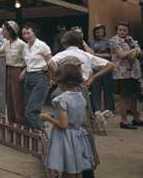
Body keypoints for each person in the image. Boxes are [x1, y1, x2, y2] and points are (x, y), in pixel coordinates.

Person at [48, 30, 115, 177]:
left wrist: (59, 78)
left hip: (64, 89)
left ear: (64, 43)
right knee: (84, 129)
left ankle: (67, 166)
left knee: (64, 129)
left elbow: (50, 63)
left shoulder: (61, 55)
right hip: (82, 90)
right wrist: (92, 79)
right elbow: (110, 65)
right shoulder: (86, 55)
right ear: (79, 43)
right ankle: (87, 168)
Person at [41, 56, 95, 177]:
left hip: (66, 137)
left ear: (62, 81)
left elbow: (63, 125)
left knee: (67, 169)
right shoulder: (81, 96)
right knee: (77, 167)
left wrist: (47, 118)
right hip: (78, 134)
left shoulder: (61, 99)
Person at [0, 20, 26, 125]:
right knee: (9, 99)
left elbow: (28, 60)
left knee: (17, 99)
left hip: (18, 71)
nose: (2, 32)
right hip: (8, 70)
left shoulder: (21, 44)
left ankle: (20, 124)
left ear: (11, 31)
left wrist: (24, 72)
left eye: (4, 30)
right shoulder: (6, 43)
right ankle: (12, 123)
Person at [109, 22, 142, 129]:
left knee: (134, 96)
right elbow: (121, 55)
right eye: (120, 30)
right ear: (117, 30)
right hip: (122, 74)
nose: (122, 32)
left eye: (124, 30)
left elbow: (139, 54)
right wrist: (134, 50)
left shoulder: (131, 39)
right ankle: (124, 121)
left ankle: (137, 119)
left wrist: (132, 52)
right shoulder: (114, 40)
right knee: (123, 97)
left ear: (128, 31)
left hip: (135, 73)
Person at [20, 23, 52, 131]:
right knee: (27, 107)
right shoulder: (25, 47)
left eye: (28, 33)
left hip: (40, 77)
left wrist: (51, 78)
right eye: (24, 33)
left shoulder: (42, 45)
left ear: (35, 32)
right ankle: (33, 136)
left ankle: (41, 134)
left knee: (31, 109)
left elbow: (50, 63)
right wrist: (24, 71)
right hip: (28, 77)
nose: (26, 35)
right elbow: (28, 63)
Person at [89, 24, 115, 112]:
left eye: (101, 32)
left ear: (104, 32)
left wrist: (96, 54)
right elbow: (90, 54)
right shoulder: (91, 41)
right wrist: (99, 55)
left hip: (107, 68)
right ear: (94, 33)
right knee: (96, 90)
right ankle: (97, 109)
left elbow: (111, 55)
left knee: (108, 89)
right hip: (95, 69)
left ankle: (109, 109)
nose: (99, 34)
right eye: (97, 32)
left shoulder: (108, 42)